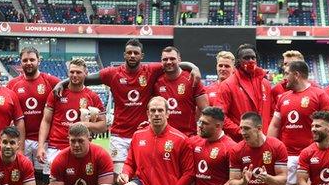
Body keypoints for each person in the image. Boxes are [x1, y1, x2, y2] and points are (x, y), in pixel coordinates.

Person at [54, 39, 200, 175]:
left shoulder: (151, 70)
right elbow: (84, 78)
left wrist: (192, 66)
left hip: (143, 134)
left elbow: (172, 64)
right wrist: (62, 83)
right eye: (129, 52)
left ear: (141, 56)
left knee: (143, 177)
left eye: (136, 53)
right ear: (124, 54)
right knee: (118, 178)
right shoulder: (112, 73)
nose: (132, 55)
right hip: (119, 136)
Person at [268, 60, 329, 185]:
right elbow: (275, 124)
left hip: (312, 153)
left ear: (296, 74)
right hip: (288, 154)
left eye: (286, 73)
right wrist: (269, 148)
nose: (283, 77)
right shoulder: (283, 97)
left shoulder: (318, 94)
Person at [6, 46, 60, 185]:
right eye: (25, 60)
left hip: (43, 141)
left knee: (41, 183)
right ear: (20, 63)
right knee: (20, 182)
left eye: (32, 59)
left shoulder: (51, 82)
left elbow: (65, 89)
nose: (28, 63)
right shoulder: (13, 84)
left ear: (39, 60)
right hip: (20, 140)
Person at [37, 58, 106, 175]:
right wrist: (40, 146)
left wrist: (84, 124)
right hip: (56, 147)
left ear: (86, 73)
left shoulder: (93, 97)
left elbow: (103, 125)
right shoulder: (57, 93)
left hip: (81, 149)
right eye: (72, 72)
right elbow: (46, 121)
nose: (74, 75)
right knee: (51, 184)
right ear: (68, 73)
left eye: (78, 72)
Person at [214, 44, 272, 142]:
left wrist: (267, 133)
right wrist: (241, 131)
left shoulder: (265, 84)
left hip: (263, 141)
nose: (250, 61)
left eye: (253, 57)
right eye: (246, 58)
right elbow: (219, 116)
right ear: (238, 61)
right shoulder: (227, 85)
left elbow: (272, 112)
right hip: (239, 142)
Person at [154, 46, 208, 137]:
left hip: (187, 136)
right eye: (165, 59)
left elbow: (205, 109)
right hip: (163, 136)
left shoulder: (191, 78)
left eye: (172, 59)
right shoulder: (156, 81)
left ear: (179, 60)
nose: (169, 62)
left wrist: (201, 130)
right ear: (161, 61)